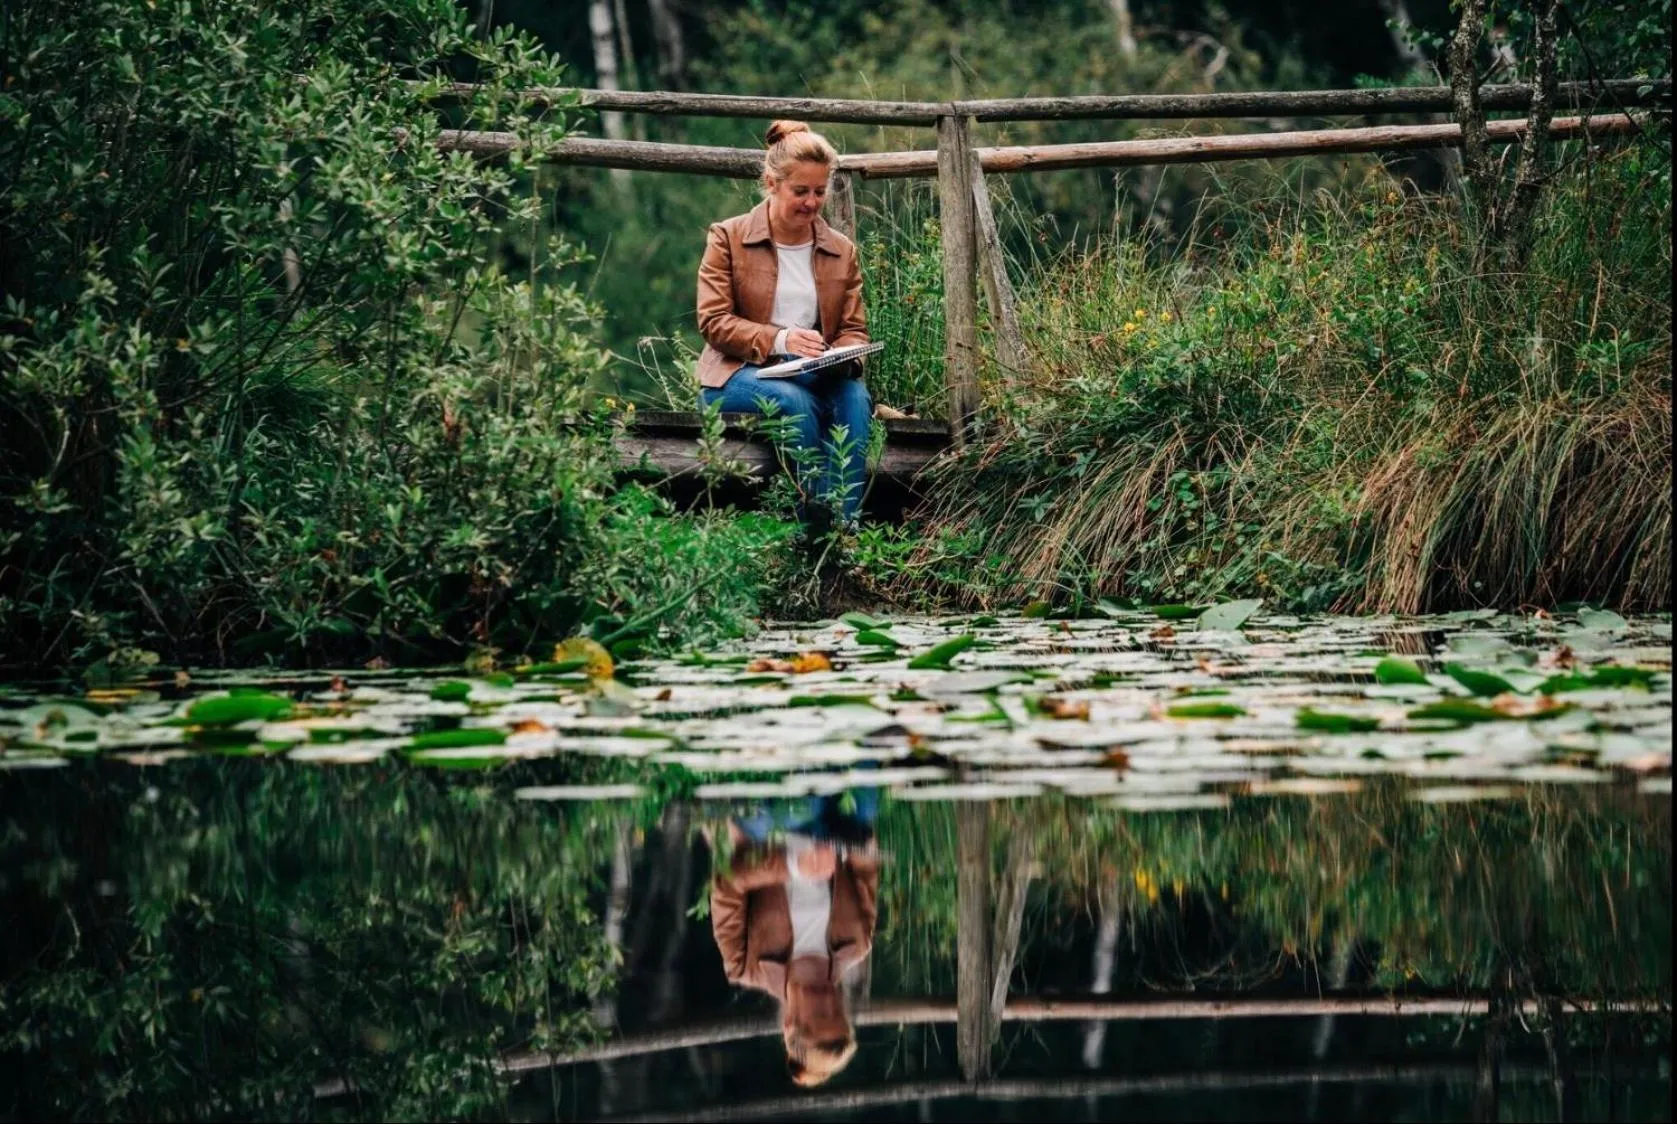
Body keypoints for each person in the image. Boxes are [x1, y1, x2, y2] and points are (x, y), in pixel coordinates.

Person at [695, 120, 873, 531]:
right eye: (801, 191)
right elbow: (714, 321)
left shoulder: (840, 250)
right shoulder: (728, 237)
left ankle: (842, 532)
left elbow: (853, 329)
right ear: (772, 184)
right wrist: (781, 339)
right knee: (793, 402)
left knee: (854, 398)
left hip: (810, 372)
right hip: (735, 375)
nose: (812, 202)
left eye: (820, 191)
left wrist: (842, 356)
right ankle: (811, 525)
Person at [707, 789, 880, 1087]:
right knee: (866, 804)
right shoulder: (858, 943)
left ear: (789, 1025)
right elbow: (865, 869)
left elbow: (727, 883)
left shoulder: (742, 964)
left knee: (802, 809)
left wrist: (792, 867)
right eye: (837, 1011)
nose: (829, 1000)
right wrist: (856, 843)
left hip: (759, 834)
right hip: (829, 828)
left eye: (820, 1013)